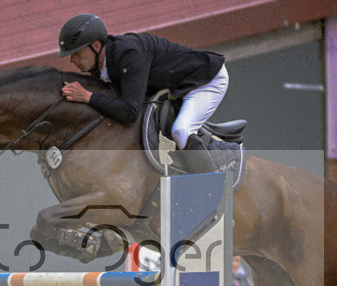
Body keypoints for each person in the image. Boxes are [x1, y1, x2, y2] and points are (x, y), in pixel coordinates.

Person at [57, 13, 228, 174]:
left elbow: (130, 111)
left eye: (77, 53)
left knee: (181, 131)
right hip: (179, 88)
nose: (73, 60)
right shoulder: (101, 68)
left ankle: (211, 188)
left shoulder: (129, 54)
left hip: (206, 80)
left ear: (95, 46)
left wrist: (88, 97)